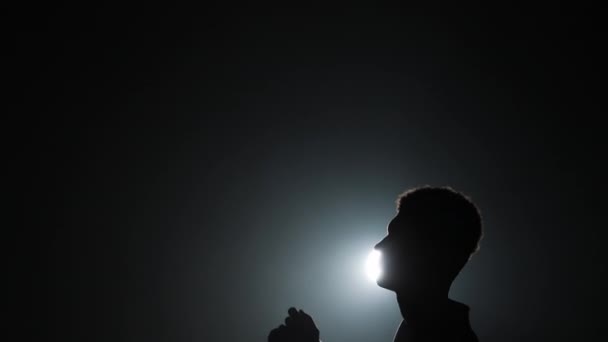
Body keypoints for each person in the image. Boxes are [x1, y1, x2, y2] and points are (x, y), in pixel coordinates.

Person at [268, 186, 483, 342]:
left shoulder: (442, 336)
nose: (379, 246)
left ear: (433, 251)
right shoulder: (420, 328)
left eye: (397, 236)